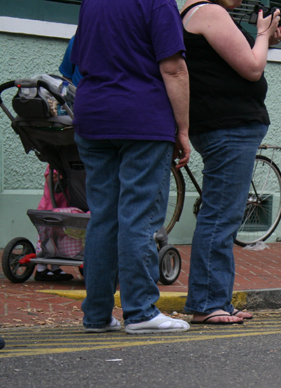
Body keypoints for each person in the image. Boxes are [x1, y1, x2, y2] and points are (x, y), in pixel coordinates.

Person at [72, 0, 191, 334]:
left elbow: (78, 59)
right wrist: (183, 129)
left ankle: (96, 314)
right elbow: (173, 69)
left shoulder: (91, 3)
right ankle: (140, 312)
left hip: (93, 115)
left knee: (103, 216)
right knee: (138, 214)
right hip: (142, 118)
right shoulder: (157, 2)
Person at [180, 0, 281, 325]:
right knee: (221, 216)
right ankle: (208, 303)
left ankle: (217, 300)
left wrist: (264, 38)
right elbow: (253, 68)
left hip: (221, 127)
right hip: (228, 127)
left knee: (221, 214)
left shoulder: (190, 15)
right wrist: (263, 36)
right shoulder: (210, 13)